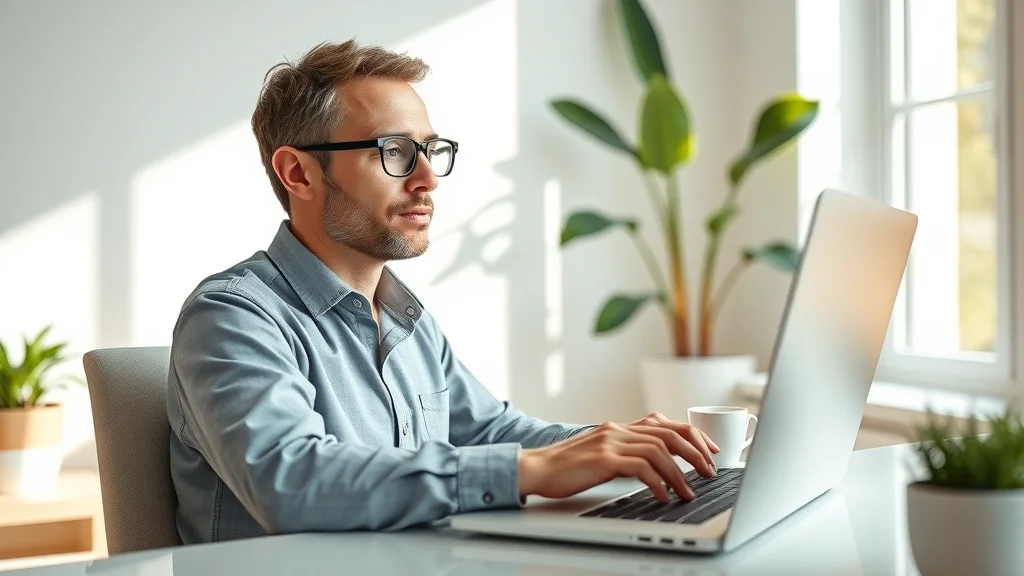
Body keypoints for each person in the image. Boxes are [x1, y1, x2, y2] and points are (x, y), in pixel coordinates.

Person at [166, 39, 721, 545]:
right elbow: (291, 483)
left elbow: (492, 431)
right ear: (299, 173)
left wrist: (613, 443)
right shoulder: (233, 316)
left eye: (431, 151)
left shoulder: (406, 319)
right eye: (394, 152)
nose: (427, 179)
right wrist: (531, 471)